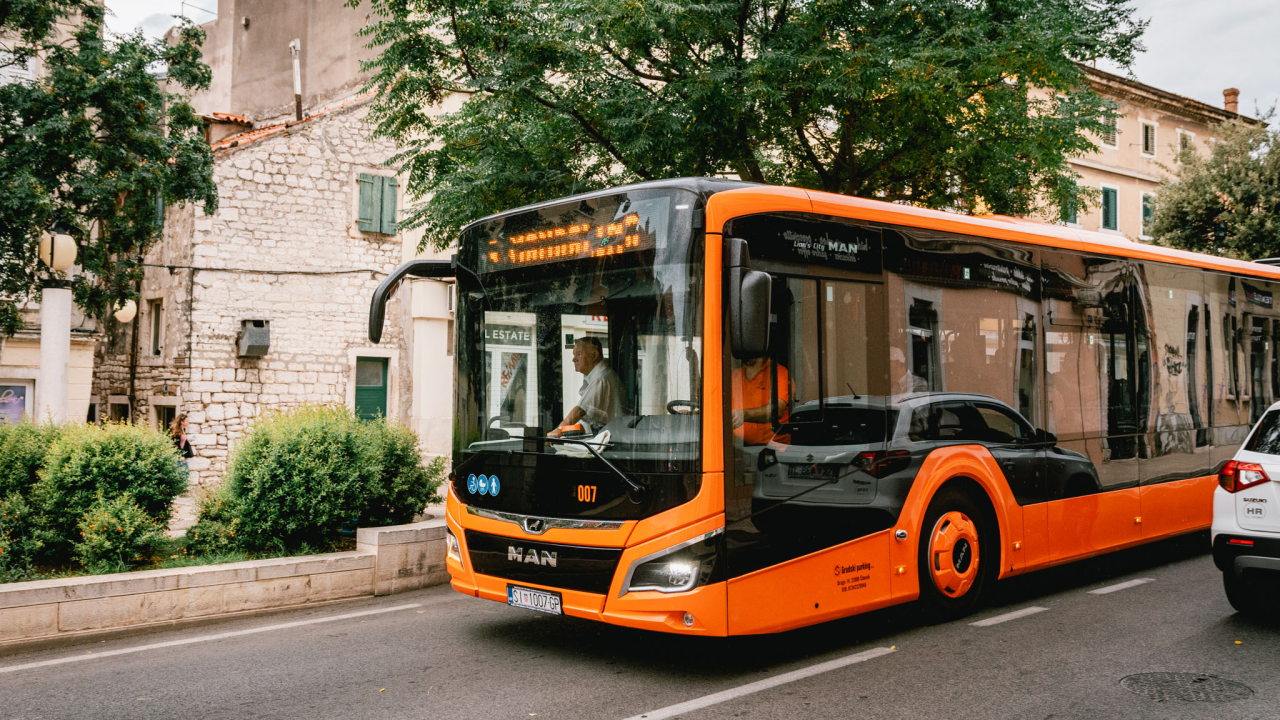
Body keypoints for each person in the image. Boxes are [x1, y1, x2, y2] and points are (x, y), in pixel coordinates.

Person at [549, 336, 624, 437]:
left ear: (594, 355)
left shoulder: (601, 379)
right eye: (574, 355)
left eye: (579, 354)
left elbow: (580, 410)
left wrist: (558, 430)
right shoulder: (600, 377)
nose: (574, 359)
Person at [732, 354, 790, 445]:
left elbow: (777, 410)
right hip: (737, 445)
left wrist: (743, 415)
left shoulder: (779, 372)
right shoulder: (734, 375)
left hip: (773, 447)